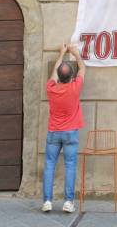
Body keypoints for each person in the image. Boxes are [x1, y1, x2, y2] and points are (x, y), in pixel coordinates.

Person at [42, 43, 86, 214]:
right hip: (71, 133)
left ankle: (47, 201)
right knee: (70, 166)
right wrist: (75, 53)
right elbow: (82, 68)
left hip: (54, 132)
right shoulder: (75, 87)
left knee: (50, 165)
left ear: (59, 77)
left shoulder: (51, 88)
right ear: (71, 76)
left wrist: (61, 54)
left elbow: (53, 74)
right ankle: (68, 202)